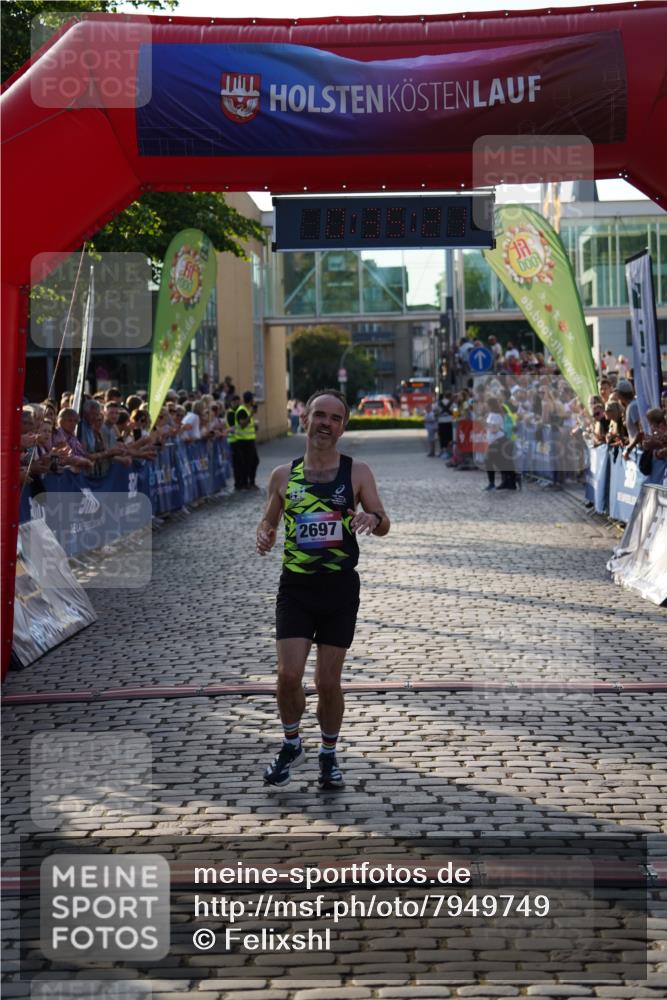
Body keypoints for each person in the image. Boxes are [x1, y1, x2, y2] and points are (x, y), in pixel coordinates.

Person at [256, 389, 390, 791]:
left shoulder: (357, 472)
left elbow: (383, 522)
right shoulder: (282, 476)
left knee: (328, 682)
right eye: (319, 415)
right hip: (295, 587)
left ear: (343, 427)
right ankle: (291, 742)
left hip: (339, 589)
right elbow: (268, 523)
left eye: (334, 418)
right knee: (287, 674)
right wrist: (264, 535)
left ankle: (328, 756)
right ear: (305, 419)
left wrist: (371, 517)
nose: (326, 423)